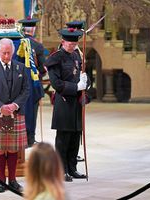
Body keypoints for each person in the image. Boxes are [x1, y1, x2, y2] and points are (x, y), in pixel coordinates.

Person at [0, 38, 30, 193]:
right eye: (3, 53)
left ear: (13, 52)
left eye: (9, 53)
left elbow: (26, 90)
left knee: (13, 149)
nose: (6, 56)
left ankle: (13, 180)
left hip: (16, 113)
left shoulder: (21, 68)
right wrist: (1, 107)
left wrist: (14, 105)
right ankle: (1, 180)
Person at [44, 28, 88, 182]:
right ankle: (61, 170)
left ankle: (72, 168)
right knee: (63, 138)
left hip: (76, 103)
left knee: (76, 136)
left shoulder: (76, 55)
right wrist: (76, 87)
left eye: (74, 42)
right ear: (63, 42)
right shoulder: (55, 58)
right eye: (69, 42)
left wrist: (85, 83)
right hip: (64, 103)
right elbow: (56, 83)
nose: (72, 45)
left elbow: (80, 74)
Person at [18, 17, 46, 147]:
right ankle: (30, 138)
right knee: (32, 112)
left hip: (17, 84)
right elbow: (42, 69)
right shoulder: (37, 46)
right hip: (32, 85)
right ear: (34, 29)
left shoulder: (17, 43)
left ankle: (19, 137)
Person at [65, 20, 86, 163]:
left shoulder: (78, 51)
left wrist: (86, 84)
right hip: (67, 95)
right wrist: (77, 86)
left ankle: (73, 158)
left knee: (77, 129)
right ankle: (66, 162)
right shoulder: (64, 52)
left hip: (78, 95)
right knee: (67, 133)